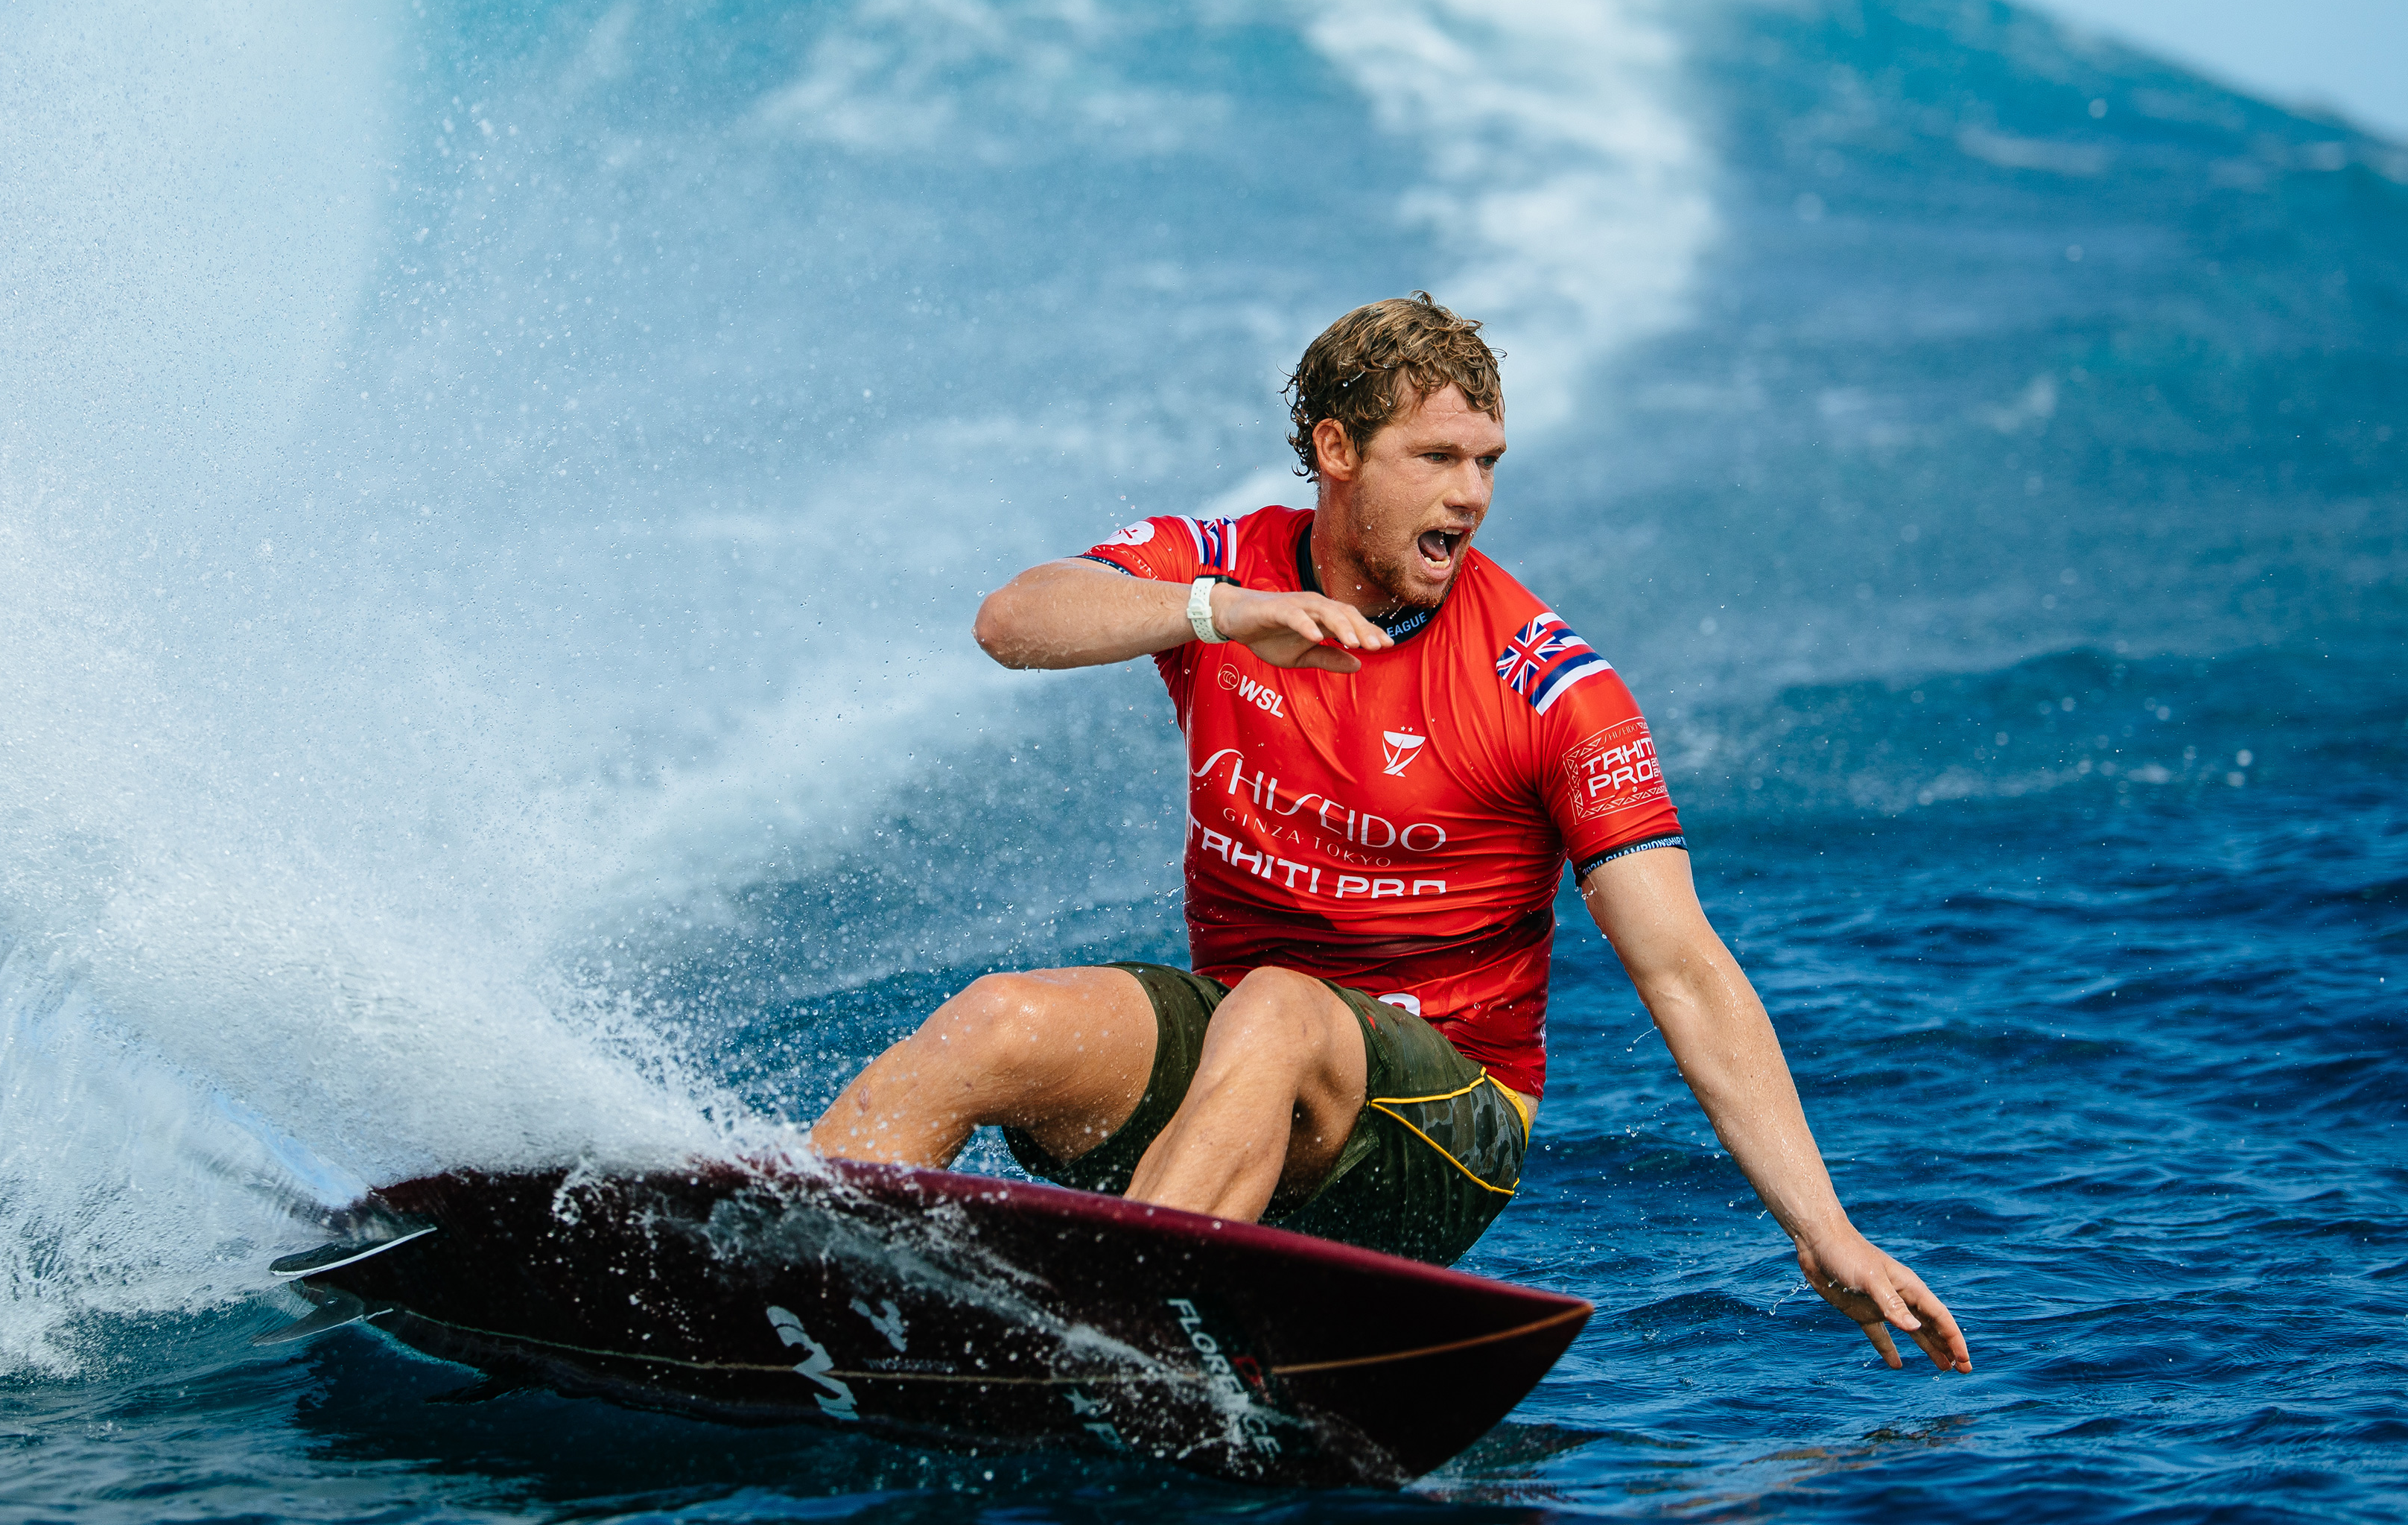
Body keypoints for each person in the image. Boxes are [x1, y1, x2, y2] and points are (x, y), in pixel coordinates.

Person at [813, 294, 1971, 1373]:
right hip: (1246, 1072)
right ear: (1334, 453)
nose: (1468, 496)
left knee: (1275, 1007)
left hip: (1446, 1128)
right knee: (997, 1021)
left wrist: (1825, 1231)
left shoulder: (1552, 691)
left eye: (1487, 464)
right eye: (1436, 459)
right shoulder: (1227, 579)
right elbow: (1012, 622)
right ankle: (782, 1272)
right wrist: (1221, 613)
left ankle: (1116, 1346)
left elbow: (1683, 968)